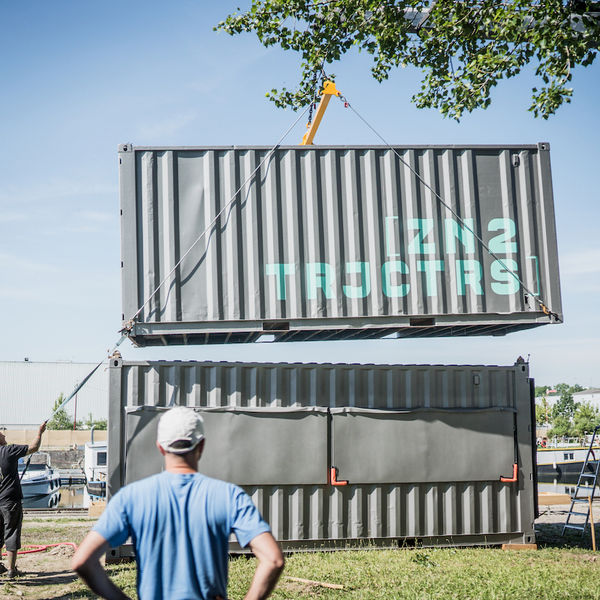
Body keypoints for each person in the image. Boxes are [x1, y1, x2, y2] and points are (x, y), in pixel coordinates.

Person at [72, 407, 284, 600]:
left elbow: (83, 561)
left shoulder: (131, 497)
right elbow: (273, 559)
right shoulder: (229, 496)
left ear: (161, 448)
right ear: (201, 445)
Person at [0, 421, 47, 578]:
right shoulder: (9, 451)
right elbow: (33, 448)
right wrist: (40, 432)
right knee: (11, 533)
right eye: (1, 433)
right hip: (10, 501)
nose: (4, 434)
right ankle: (11, 570)